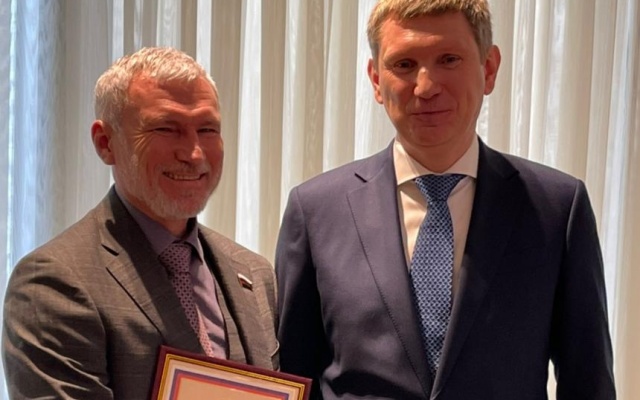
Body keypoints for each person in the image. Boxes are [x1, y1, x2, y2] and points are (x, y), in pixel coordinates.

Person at [275, 0, 616, 399]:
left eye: (449, 59)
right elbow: (292, 379)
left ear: (489, 68)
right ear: (376, 80)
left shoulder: (556, 209)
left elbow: (588, 381)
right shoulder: (315, 212)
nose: (426, 87)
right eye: (404, 64)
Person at [2, 47, 279, 399]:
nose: (194, 153)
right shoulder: (53, 284)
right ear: (105, 143)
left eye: (208, 129)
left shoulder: (254, 273)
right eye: (167, 129)